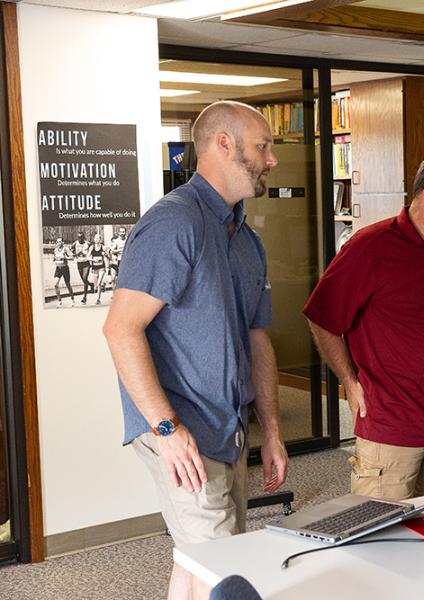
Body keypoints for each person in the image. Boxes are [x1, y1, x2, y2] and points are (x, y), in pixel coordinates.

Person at [103, 100, 287, 600]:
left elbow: (257, 337)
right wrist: (166, 428)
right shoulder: (173, 224)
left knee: (201, 558)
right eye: (263, 147)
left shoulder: (246, 238)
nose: (271, 160)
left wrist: (270, 429)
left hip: (226, 427)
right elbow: (121, 329)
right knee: (225, 569)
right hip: (179, 427)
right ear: (223, 144)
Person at [303, 152, 424, 501]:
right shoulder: (370, 247)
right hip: (390, 423)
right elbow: (322, 318)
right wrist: (349, 382)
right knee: (380, 537)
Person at [51, 237, 75, 307]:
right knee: (55, 285)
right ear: (56, 243)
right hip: (58, 268)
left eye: (60, 241)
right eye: (58, 242)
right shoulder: (55, 250)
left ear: (63, 242)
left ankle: (72, 299)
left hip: (65, 269)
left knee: (68, 285)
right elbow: (54, 258)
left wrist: (65, 258)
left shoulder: (66, 249)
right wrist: (55, 260)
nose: (59, 243)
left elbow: (72, 257)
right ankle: (59, 301)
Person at [87, 233, 107, 305]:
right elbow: (87, 257)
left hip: (102, 267)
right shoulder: (92, 247)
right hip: (94, 268)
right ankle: (102, 285)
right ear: (94, 239)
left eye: (98, 238)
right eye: (96, 238)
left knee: (98, 283)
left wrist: (106, 255)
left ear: (100, 239)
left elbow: (108, 256)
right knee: (96, 285)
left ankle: (98, 299)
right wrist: (93, 260)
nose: (97, 240)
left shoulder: (103, 247)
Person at [73, 231, 91, 304]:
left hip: (86, 263)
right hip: (79, 263)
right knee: (84, 280)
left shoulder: (88, 243)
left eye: (81, 237)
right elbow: (71, 251)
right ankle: (91, 285)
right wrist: (75, 254)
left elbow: (93, 250)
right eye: (78, 237)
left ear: (84, 238)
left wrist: (91, 258)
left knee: (84, 278)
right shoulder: (75, 243)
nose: (80, 239)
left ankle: (85, 297)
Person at [106, 226, 128, 290]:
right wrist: (118, 251)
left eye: (123, 232)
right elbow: (112, 250)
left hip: (124, 261)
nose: (122, 233)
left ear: (125, 232)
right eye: (121, 232)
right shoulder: (116, 241)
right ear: (119, 232)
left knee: (123, 279)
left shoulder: (127, 240)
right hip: (117, 261)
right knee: (113, 279)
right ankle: (114, 295)